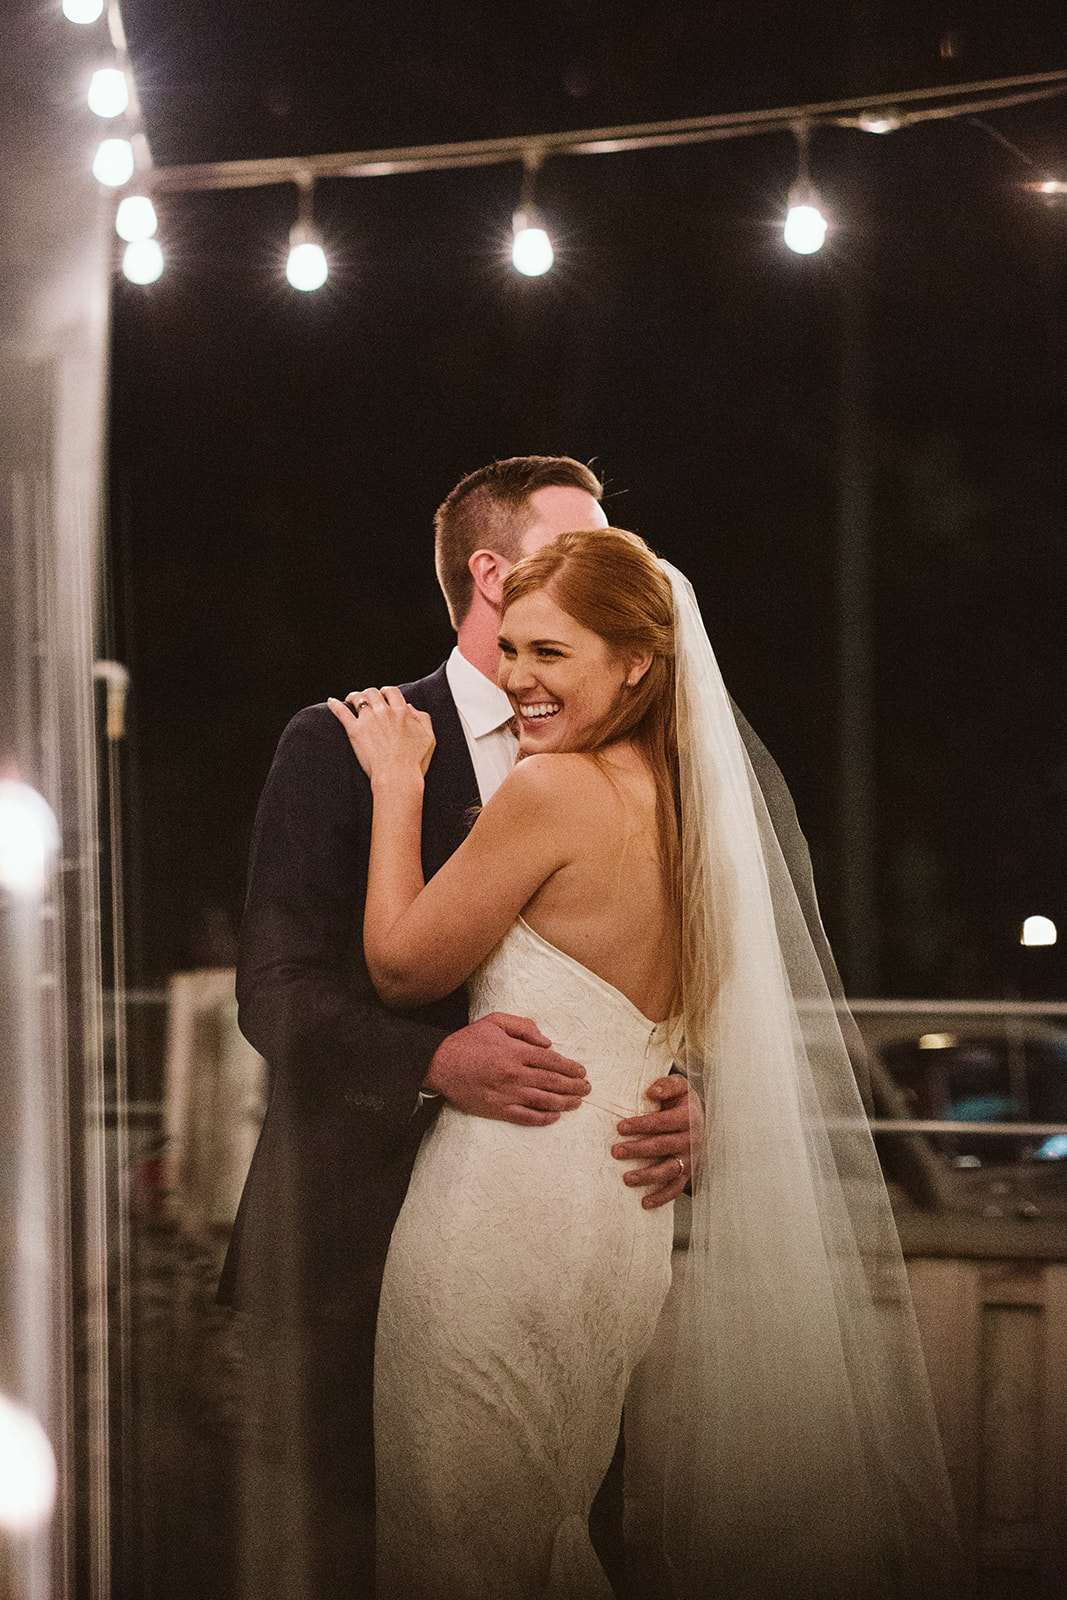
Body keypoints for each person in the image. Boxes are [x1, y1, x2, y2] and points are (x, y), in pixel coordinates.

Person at [331, 527, 961, 1600]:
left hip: (503, 1212)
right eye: (511, 650)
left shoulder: (551, 793)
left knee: (456, 1547)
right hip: (622, 1223)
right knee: (544, 1527)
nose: (517, 680)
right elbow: (694, 1024)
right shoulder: (694, 815)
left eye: (549, 654)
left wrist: (398, 780)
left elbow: (397, 967)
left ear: (634, 662)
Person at [217, 459, 695, 1600]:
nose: (603, 567)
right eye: (571, 546)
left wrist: (682, 1086)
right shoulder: (341, 739)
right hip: (347, 1246)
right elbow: (272, 987)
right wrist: (432, 1059)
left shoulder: (635, 772)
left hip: (551, 1243)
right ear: (494, 572)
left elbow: (654, 972)